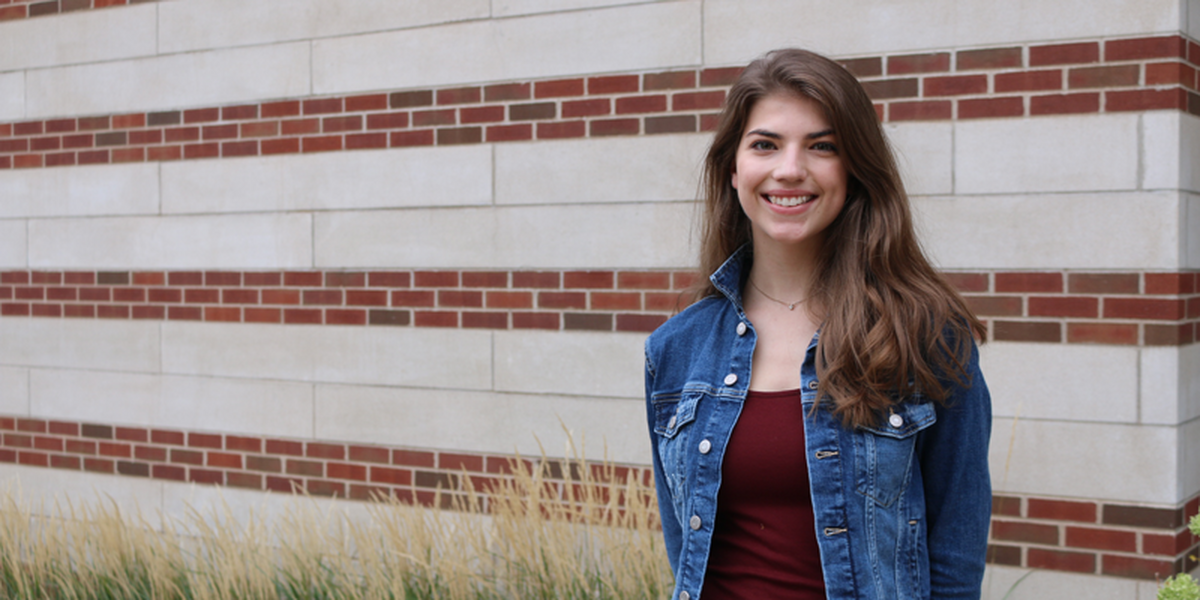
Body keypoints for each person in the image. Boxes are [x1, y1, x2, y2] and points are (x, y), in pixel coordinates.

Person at [643, 48, 992, 600]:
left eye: (821, 146)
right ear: (733, 170)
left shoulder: (924, 337)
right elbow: (685, 551)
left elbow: (954, 559)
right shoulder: (675, 350)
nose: (789, 169)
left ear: (854, 170)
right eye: (765, 144)